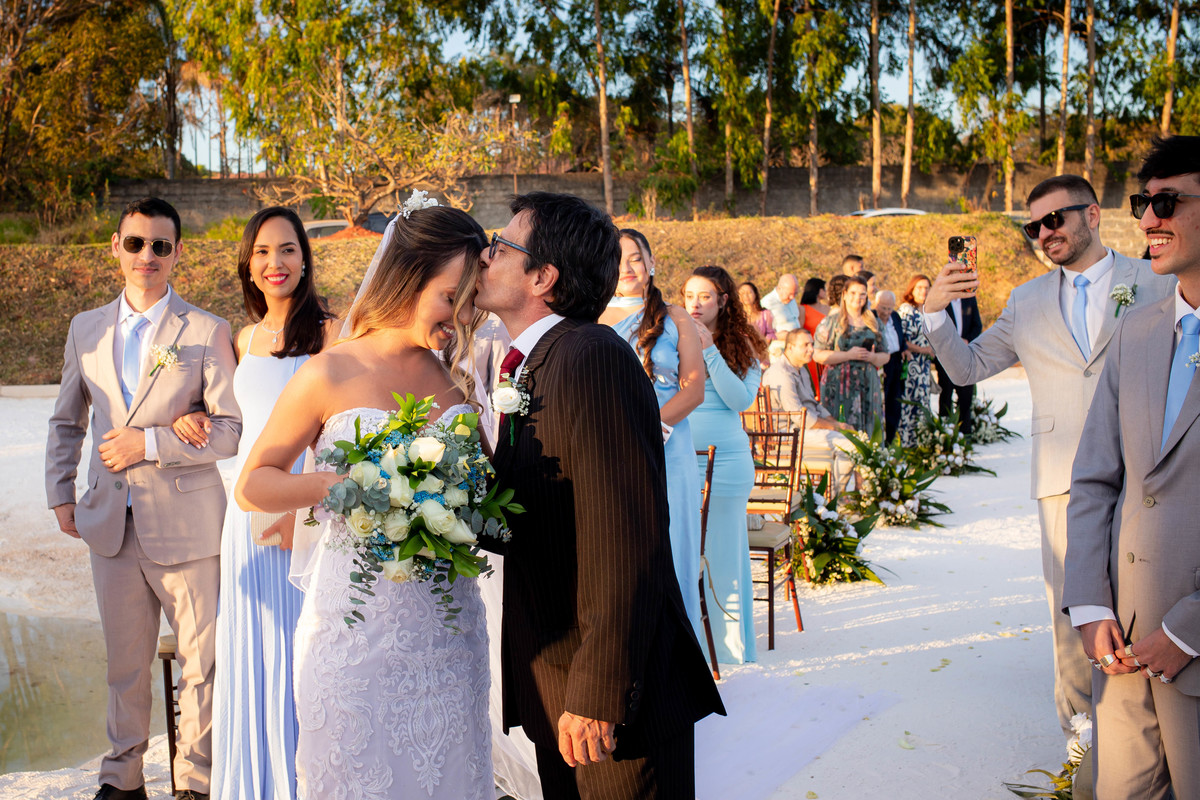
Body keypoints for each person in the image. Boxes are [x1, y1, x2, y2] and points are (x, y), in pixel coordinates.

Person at [235, 203, 495, 799]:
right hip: (356, 632)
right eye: (450, 296)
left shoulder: (457, 380)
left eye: (469, 299)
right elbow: (255, 483)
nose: (462, 314)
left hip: (448, 635)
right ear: (408, 279)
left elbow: (485, 495)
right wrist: (341, 487)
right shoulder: (331, 371)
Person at [476, 193, 724, 800]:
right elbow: (535, 521)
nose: (484, 256)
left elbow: (626, 537)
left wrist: (598, 692)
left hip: (607, 703)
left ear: (543, 276)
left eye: (500, 245)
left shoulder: (591, 358)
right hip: (556, 682)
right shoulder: (535, 362)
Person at [922, 173, 1174, 739]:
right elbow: (967, 368)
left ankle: (1152, 733)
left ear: (1093, 215)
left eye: (1054, 220)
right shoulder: (1026, 299)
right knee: (1073, 615)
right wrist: (935, 313)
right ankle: (1082, 743)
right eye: (1032, 226)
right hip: (1061, 479)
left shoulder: (1155, 279)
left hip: (1147, 472)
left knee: (1149, 601)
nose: (1043, 233)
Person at [45, 197, 241, 800]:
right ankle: (122, 779)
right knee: (124, 666)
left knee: (200, 666)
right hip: (108, 524)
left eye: (161, 245)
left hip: (187, 528)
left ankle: (195, 783)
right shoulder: (86, 327)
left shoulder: (207, 330)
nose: (147, 256)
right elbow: (66, 421)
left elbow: (230, 430)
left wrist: (152, 442)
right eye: (136, 243)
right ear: (116, 247)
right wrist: (60, 492)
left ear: (179, 252)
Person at [170, 208, 335, 800]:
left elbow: (343, 431)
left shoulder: (331, 333)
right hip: (243, 518)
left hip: (303, 513)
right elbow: (234, 421)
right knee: (253, 651)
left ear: (305, 259)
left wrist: (307, 515)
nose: (276, 263)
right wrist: (194, 416)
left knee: (304, 652)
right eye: (263, 252)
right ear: (248, 263)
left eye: (288, 250)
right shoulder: (239, 340)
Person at [1063, 135, 1200, 798]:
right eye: (1143, 203)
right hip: (1120, 659)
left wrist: (1189, 626)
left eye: (1167, 202)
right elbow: (1095, 480)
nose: (1148, 220)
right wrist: (1090, 604)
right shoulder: (1138, 331)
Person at [599, 228, 707, 646]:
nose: (627, 267)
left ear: (651, 264)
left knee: (672, 547)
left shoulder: (675, 316)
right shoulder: (588, 317)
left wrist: (649, 428)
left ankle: (678, 672)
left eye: (635, 258)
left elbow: (693, 388)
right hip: (610, 448)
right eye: (618, 258)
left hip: (668, 444)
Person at [684, 265, 768, 666]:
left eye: (705, 296)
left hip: (728, 463)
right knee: (682, 551)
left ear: (723, 300)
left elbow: (739, 401)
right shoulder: (673, 338)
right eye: (689, 296)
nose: (695, 304)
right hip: (680, 460)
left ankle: (729, 646)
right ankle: (690, 643)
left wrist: (709, 351)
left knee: (722, 550)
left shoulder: (743, 344)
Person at [762, 329, 854, 483]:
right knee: (848, 445)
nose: (811, 349)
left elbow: (815, 406)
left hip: (802, 429)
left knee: (851, 438)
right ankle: (840, 501)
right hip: (787, 434)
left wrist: (837, 424)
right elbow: (799, 416)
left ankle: (843, 495)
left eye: (811, 344)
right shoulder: (780, 374)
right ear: (790, 347)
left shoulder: (802, 369)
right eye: (805, 345)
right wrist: (836, 427)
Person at [813, 276, 888, 432]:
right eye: (853, 293)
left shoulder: (874, 321)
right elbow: (818, 354)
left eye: (862, 294)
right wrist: (848, 355)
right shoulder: (832, 321)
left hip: (867, 382)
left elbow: (885, 355)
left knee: (868, 430)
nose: (857, 298)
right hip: (839, 382)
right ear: (845, 294)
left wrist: (873, 358)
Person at [896, 275, 935, 447]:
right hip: (910, 364)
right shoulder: (906, 310)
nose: (923, 291)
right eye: (919, 287)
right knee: (909, 403)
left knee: (923, 402)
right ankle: (906, 443)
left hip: (924, 365)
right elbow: (901, 339)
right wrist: (923, 349)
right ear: (911, 289)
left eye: (926, 287)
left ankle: (923, 442)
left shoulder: (928, 310)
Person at [874, 290, 907, 442]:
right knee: (883, 402)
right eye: (883, 308)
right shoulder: (872, 318)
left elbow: (901, 336)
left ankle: (891, 439)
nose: (887, 312)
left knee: (895, 401)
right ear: (876, 304)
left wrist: (904, 349)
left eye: (889, 308)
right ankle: (881, 439)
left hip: (895, 361)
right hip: (881, 363)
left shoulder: (895, 317)